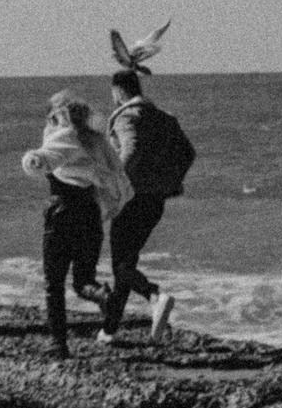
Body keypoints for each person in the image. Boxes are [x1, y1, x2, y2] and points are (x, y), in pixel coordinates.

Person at [21, 91, 130, 357]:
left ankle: (58, 344)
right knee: (83, 280)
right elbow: (117, 173)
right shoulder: (98, 141)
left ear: (59, 115)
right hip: (90, 213)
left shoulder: (64, 136)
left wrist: (32, 160)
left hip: (62, 212)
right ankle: (106, 297)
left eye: (51, 114)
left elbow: (45, 158)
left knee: (54, 283)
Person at [101, 68, 196, 343]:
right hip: (155, 201)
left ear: (118, 91)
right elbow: (188, 153)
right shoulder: (165, 118)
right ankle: (109, 329)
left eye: (113, 93)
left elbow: (130, 150)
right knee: (126, 263)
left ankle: (154, 296)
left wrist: (115, 184)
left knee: (121, 263)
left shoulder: (128, 116)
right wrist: (169, 182)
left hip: (131, 200)